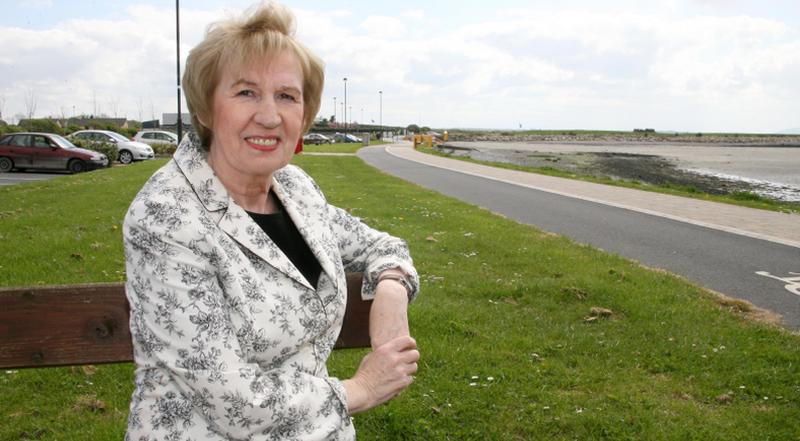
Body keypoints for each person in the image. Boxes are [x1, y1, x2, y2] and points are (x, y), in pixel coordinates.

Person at [122, 3, 419, 439]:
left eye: (287, 96)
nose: (269, 115)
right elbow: (233, 400)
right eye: (245, 92)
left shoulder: (294, 189)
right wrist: (360, 389)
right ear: (205, 109)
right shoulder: (165, 217)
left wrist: (391, 287)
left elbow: (382, 246)